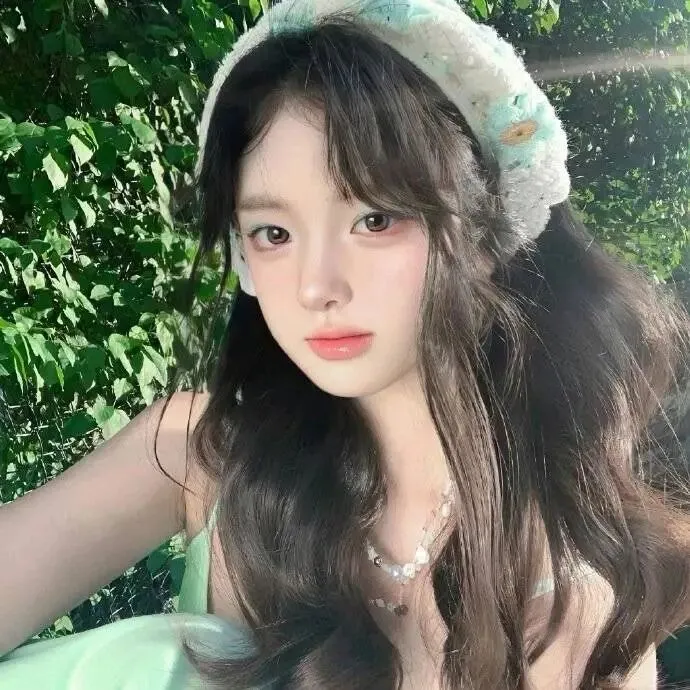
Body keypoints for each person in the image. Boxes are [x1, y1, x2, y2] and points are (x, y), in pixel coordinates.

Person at [1, 0, 689, 687]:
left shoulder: (581, 566)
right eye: (274, 234)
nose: (315, 286)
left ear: (485, 229)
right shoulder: (201, 452)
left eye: (375, 219)